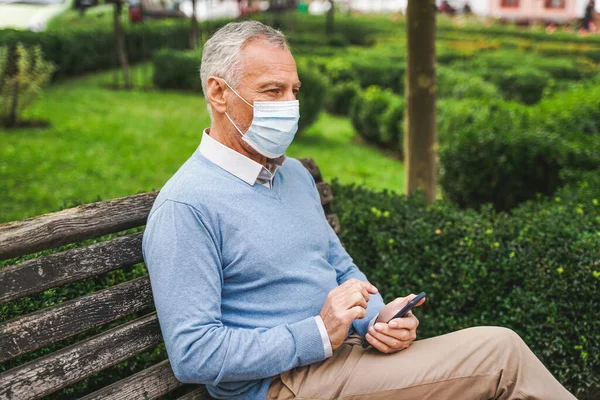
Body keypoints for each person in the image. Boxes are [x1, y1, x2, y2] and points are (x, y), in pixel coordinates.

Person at [142, 21, 578, 400]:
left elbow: (340, 267)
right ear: (219, 93)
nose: (289, 106)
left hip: (348, 355)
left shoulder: (291, 174)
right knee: (502, 354)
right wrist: (316, 333)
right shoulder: (187, 206)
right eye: (272, 91)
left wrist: (379, 318)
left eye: (294, 91)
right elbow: (194, 354)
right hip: (284, 385)